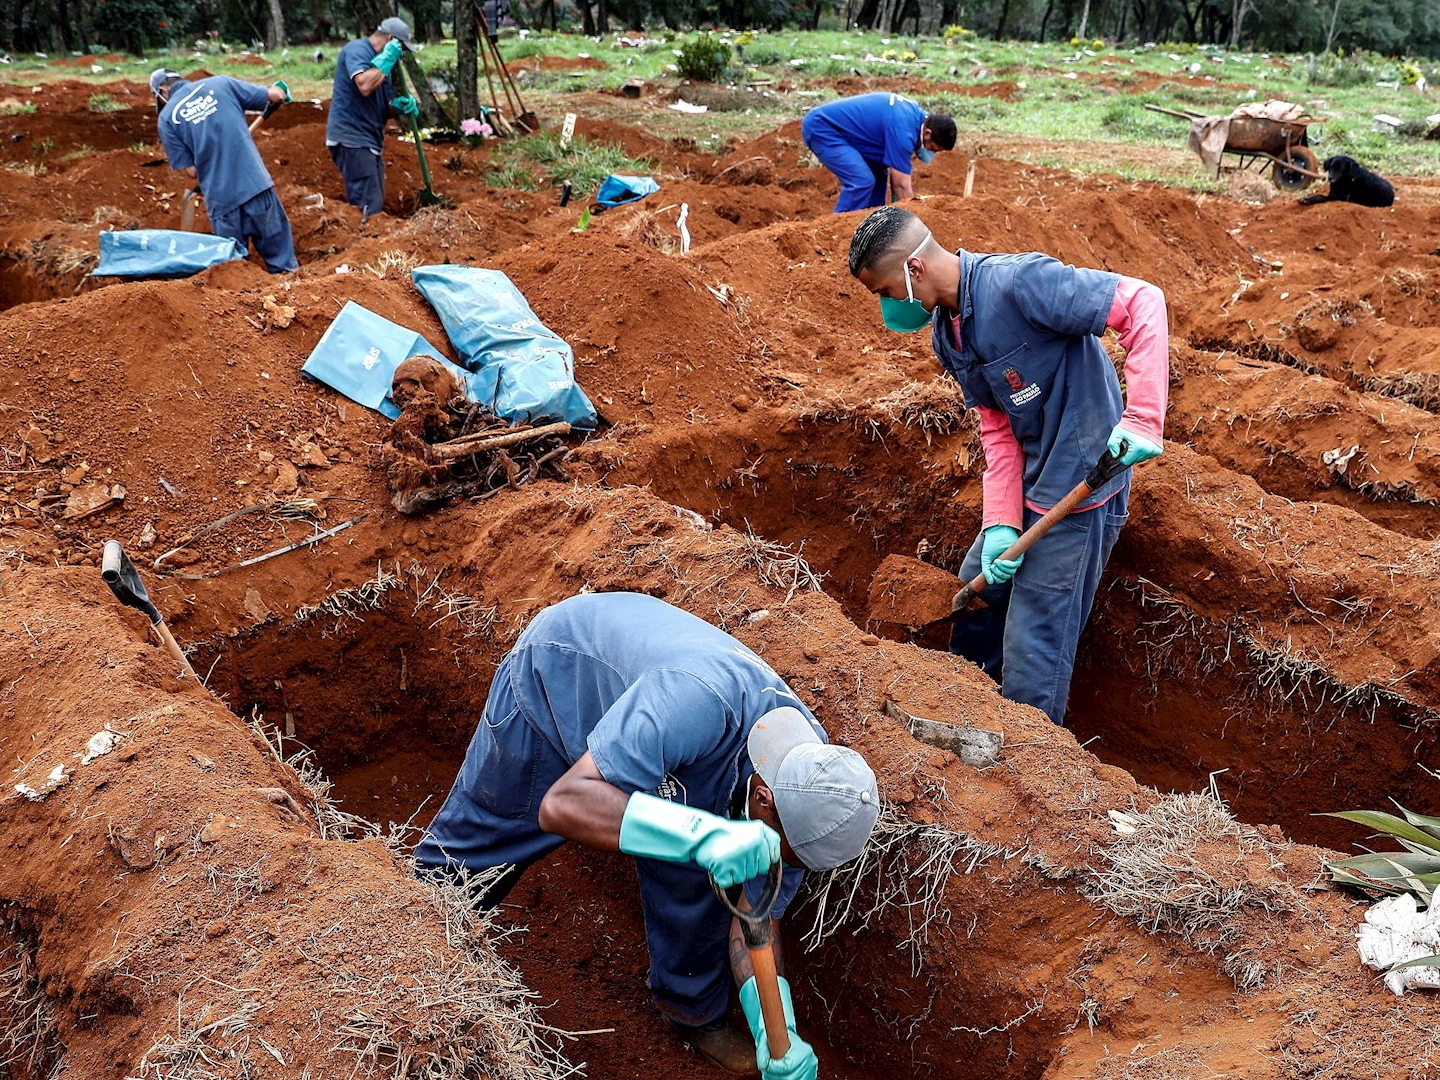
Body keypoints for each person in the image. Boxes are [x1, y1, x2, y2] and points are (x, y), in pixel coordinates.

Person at [414, 592, 880, 1080]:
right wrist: (701, 834)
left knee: (697, 875)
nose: (783, 867)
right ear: (764, 797)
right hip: (559, 683)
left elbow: (753, 917)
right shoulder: (695, 703)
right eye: (786, 855)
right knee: (475, 852)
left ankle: (693, 1013)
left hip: (672, 754)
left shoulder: (812, 783)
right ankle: (408, 950)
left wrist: (775, 1028)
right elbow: (563, 804)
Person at [846, 206, 1169, 726]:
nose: (888, 307)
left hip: (1082, 491)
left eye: (884, 292)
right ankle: (964, 717)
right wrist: (1000, 523)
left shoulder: (1021, 284)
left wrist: (1143, 416)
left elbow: (1142, 302)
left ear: (914, 270)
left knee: (1033, 648)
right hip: (1029, 485)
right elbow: (997, 430)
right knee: (975, 595)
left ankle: (1031, 762)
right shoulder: (947, 334)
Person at [150, 68, 297, 274]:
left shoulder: (167, 119)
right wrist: (281, 91)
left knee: (235, 273)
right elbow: (275, 95)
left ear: (162, 90)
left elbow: (191, 171)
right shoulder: (221, 84)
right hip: (256, 187)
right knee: (284, 266)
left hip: (222, 202)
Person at [326, 15, 422, 220]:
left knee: (374, 200)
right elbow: (365, 85)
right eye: (401, 49)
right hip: (351, 138)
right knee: (368, 205)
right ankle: (367, 245)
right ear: (390, 41)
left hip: (369, 140)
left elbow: (382, 106)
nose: (401, 55)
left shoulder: (383, 68)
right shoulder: (357, 50)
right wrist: (387, 60)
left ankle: (370, 243)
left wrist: (399, 108)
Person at [800, 92, 956, 213]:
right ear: (927, 133)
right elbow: (901, 186)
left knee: (878, 173)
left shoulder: (918, 117)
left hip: (850, 133)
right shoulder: (903, 131)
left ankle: (871, 226)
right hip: (823, 128)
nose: (929, 153)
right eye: (932, 148)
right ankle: (836, 231)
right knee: (861, 181)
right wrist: (912, 223)